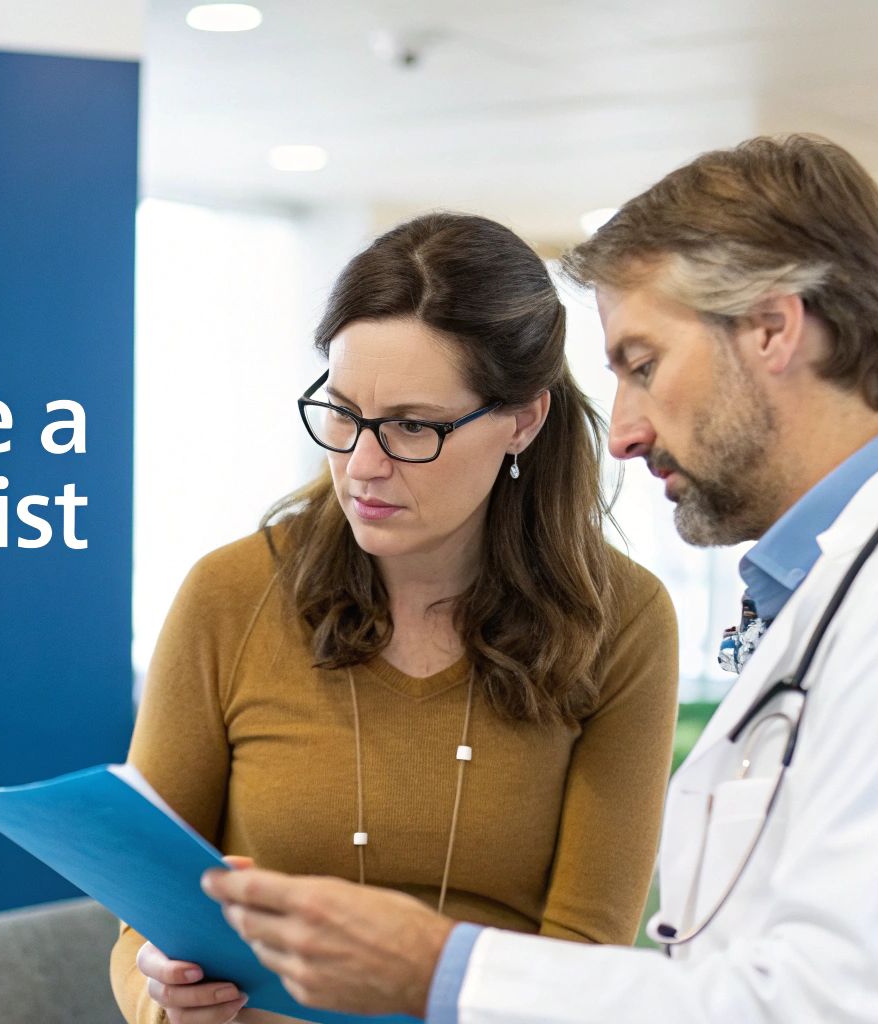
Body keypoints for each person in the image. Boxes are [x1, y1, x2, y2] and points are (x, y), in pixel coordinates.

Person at [203, 135, 878, 1022]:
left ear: (770, 330)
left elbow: (828, 1008)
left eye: (641, 363)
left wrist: (439, 969)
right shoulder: (848, 591)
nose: (621, 429)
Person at [110, 212, 682, 1024]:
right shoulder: (230, 595)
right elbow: (141, 918)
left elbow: (583, 965)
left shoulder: (620, 621)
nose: (361, 465)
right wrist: (163, 993)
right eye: (343, 413)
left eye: (413, 425)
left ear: (522, 419)